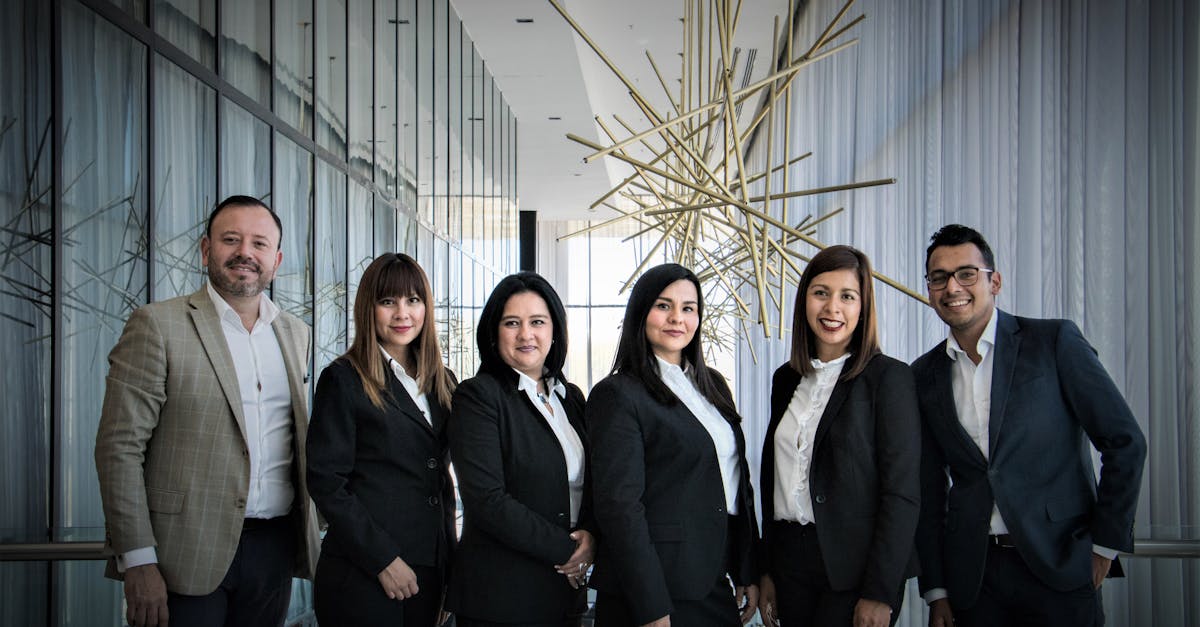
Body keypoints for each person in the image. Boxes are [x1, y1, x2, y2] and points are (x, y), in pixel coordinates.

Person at [94, 195, 320, 627]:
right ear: (205, 250)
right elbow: (118, 448)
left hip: (273, 549)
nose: (245, 253)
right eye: (230, 239)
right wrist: (137, 559)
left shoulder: (294, 333)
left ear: (276, 259)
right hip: (181, 553)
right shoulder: (158, 325)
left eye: (259, 244)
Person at [912, 224, 1147, 627]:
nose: (953, 287)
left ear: (995, 281)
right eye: (939, 277)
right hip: (973, 580)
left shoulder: (1053, 341)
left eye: (966, 273)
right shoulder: (923, 374)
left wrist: (1105, 544)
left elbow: (1124, 441)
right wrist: (937, 589)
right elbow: (928, 488)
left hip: (1060, 565)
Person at [756, 245, 921, 627]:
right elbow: (775, 479)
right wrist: (767, 569)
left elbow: (902, 493)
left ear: (863, 308)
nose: (832, 308)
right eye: (820, 293)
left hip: (855, 572)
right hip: (789, 563)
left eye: (847, 296)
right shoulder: (786, 379)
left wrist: (880, 592)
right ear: (804, 302)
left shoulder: (889, 379)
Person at [587, 263, 759, 627]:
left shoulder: (711, 384)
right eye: (663, 306)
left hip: (713, 576)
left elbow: (736, 482)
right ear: (641, 312)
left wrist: (747, 568)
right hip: (655, 587)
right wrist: (651, 605)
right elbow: (620, 506)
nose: (676, 318)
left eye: (689, 308)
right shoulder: (618, 394)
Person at [306, 253, 458, 625]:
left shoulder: (444, 382)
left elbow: (442, 483)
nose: (402, 313)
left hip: (428, 569)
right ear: (368, 309)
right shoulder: (343, 379)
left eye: (413, 300)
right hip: (364, 571)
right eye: (388, 301)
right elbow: (327, 482)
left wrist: (448, 571)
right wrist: (383, 559)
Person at [446, 272, 595, 627]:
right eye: (512, 323)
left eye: (537, 322)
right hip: (501, 597)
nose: (526, 334)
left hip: (563, 593)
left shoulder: (570, 397)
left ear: (554, 330)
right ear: (494, 333)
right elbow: (487, 500)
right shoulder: (478, 397)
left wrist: (592, 535)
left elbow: (592, 480)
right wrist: (569, 550)